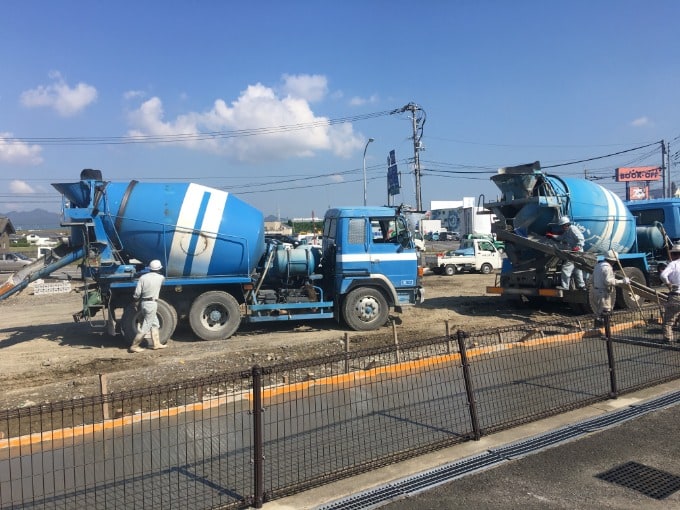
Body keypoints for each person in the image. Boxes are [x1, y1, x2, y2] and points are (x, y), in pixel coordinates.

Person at [128, 259, 167, 353]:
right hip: (152, 303)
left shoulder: (143, 278)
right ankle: (134, 346)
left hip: (144, 302)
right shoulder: (161, 277)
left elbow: (137, 293)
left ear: (149, 268)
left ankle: (156, 344)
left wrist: (136, 300)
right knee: (146, 325)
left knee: (155, 323)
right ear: (159, 269)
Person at [546, 216, 586, 290]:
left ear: (567, 224)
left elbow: (581, 239)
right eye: (561, 226)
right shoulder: (567, 231)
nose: (562, 227)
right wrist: (552, 236)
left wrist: (577, 247)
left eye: (563, 225)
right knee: (577, 269)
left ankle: (565, 287)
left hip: (576, 253)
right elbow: (561, 238)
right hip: (574, 252)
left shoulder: (573, 229)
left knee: (565, 268)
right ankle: (581, 286)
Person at [592, 250, 630, 323]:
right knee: (605, 312)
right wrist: (623, 281)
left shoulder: (597, 266)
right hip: (603, 292)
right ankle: (605, 329)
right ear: (612, 260)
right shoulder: (608, 268)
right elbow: (608, 282)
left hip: (596, 291)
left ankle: (598, 327)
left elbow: (593, 280)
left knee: (598, 312)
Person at [660, 244, 680, 343]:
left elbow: (663, 275)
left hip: (676, 295)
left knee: (669, 320)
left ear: (673, 254)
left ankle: (668, 338)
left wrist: (668, 284)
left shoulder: (673, 264)